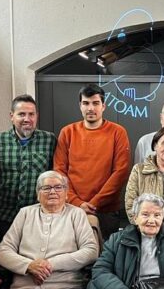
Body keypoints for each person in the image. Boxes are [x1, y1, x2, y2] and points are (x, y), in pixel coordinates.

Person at [54, 83, 131, 240]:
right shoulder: (67, 132)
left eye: (95, 103)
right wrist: (77, 202)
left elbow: (121, 172)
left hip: (107, 211)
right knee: (72, 257)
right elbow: (59, 170)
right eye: (86, 103)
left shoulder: (118, 132)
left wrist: (94, 203)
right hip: (72, 208)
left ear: (103, 106)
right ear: (80, 106)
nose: (90, 108)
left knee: (107, 258)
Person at [0, 95, 56, 243]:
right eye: (21, 114)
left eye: (31, 114)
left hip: (38, 218)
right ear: (11, 116)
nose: (27, 119)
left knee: (33, 263)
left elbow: (58, 175)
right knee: (1, 261)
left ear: (37, 116)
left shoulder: (49, 140)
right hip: (4, 219)